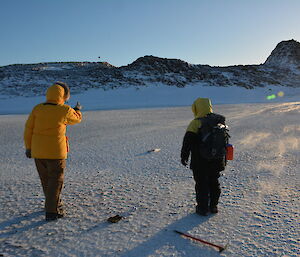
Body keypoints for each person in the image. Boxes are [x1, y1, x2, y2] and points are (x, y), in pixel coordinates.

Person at [24, 82, 82, 221]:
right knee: (56, 181)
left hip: (38, 152)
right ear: (62, 96)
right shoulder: (65, 110)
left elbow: (28, 130)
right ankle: (52, 211)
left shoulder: (37, 109)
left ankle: (53, 203)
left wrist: (28, 147)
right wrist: (78, 110)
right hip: (56, 152)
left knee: (46, 181)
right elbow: (76, 120)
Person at [181, 98, 226, 216]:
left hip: (200, 161)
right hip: (217, 159)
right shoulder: (219, 121)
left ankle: (202, 208)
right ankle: (213, 206)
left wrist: (184, 156)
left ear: (196, 108)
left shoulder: (196, 122)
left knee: (201, 184)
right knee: (214, 182)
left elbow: (187, 141)